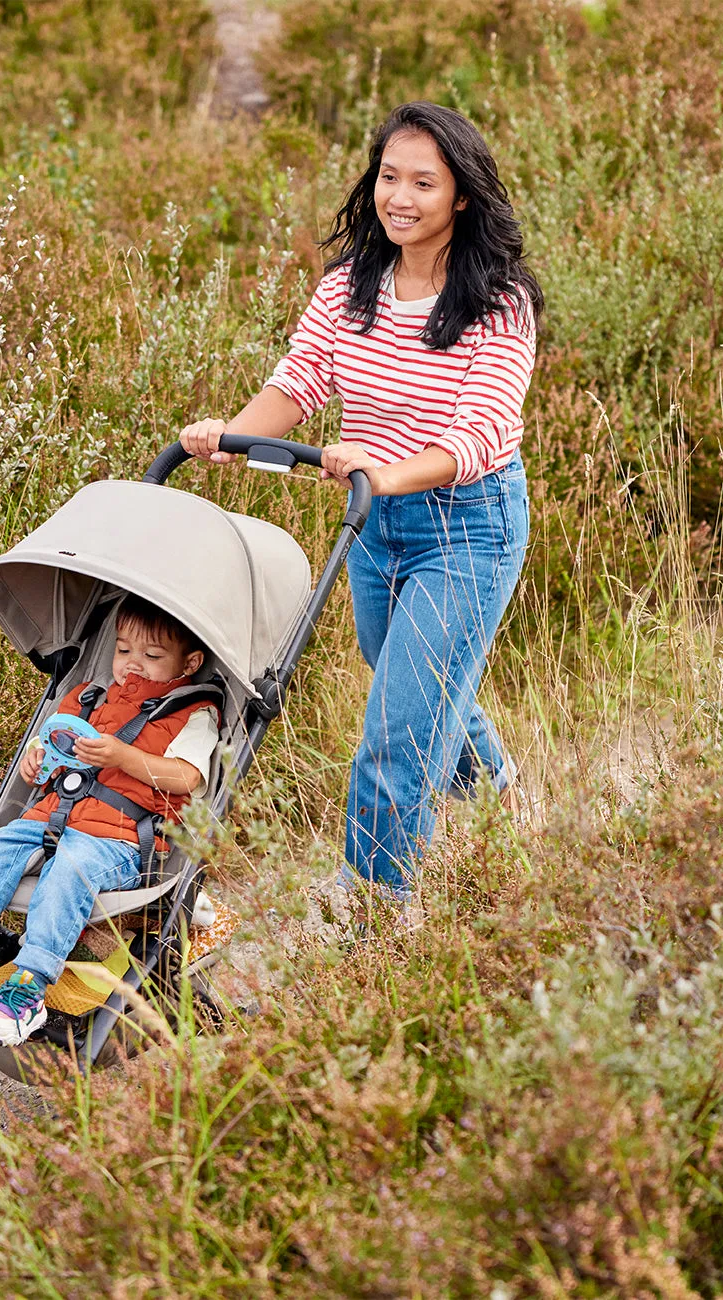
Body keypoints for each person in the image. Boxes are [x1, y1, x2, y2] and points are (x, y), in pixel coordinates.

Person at [180, 101, 542, 902]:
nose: (400, 197)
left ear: (462, 198)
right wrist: (229, 437)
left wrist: (383, 470)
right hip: (374, 524)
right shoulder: (352, 285)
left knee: (396, 729)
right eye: (389, 177)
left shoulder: (500, 301)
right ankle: (492, 785)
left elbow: (481, 431)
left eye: (424, 182)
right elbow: (301, 379)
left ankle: (373, 904)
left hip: (467, 529)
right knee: (407, 676)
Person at [0, 596, 219, 1045]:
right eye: (123, 651)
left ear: (190, 662)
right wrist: (36, 762)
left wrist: (124, 756)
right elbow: (50, 752)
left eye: (152, 656)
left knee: (70, 869)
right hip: (51, 817)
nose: (133, 664)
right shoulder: (86, 698)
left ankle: (30, 987)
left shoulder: (193, 713)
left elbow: (187, 776)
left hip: (117, 838)